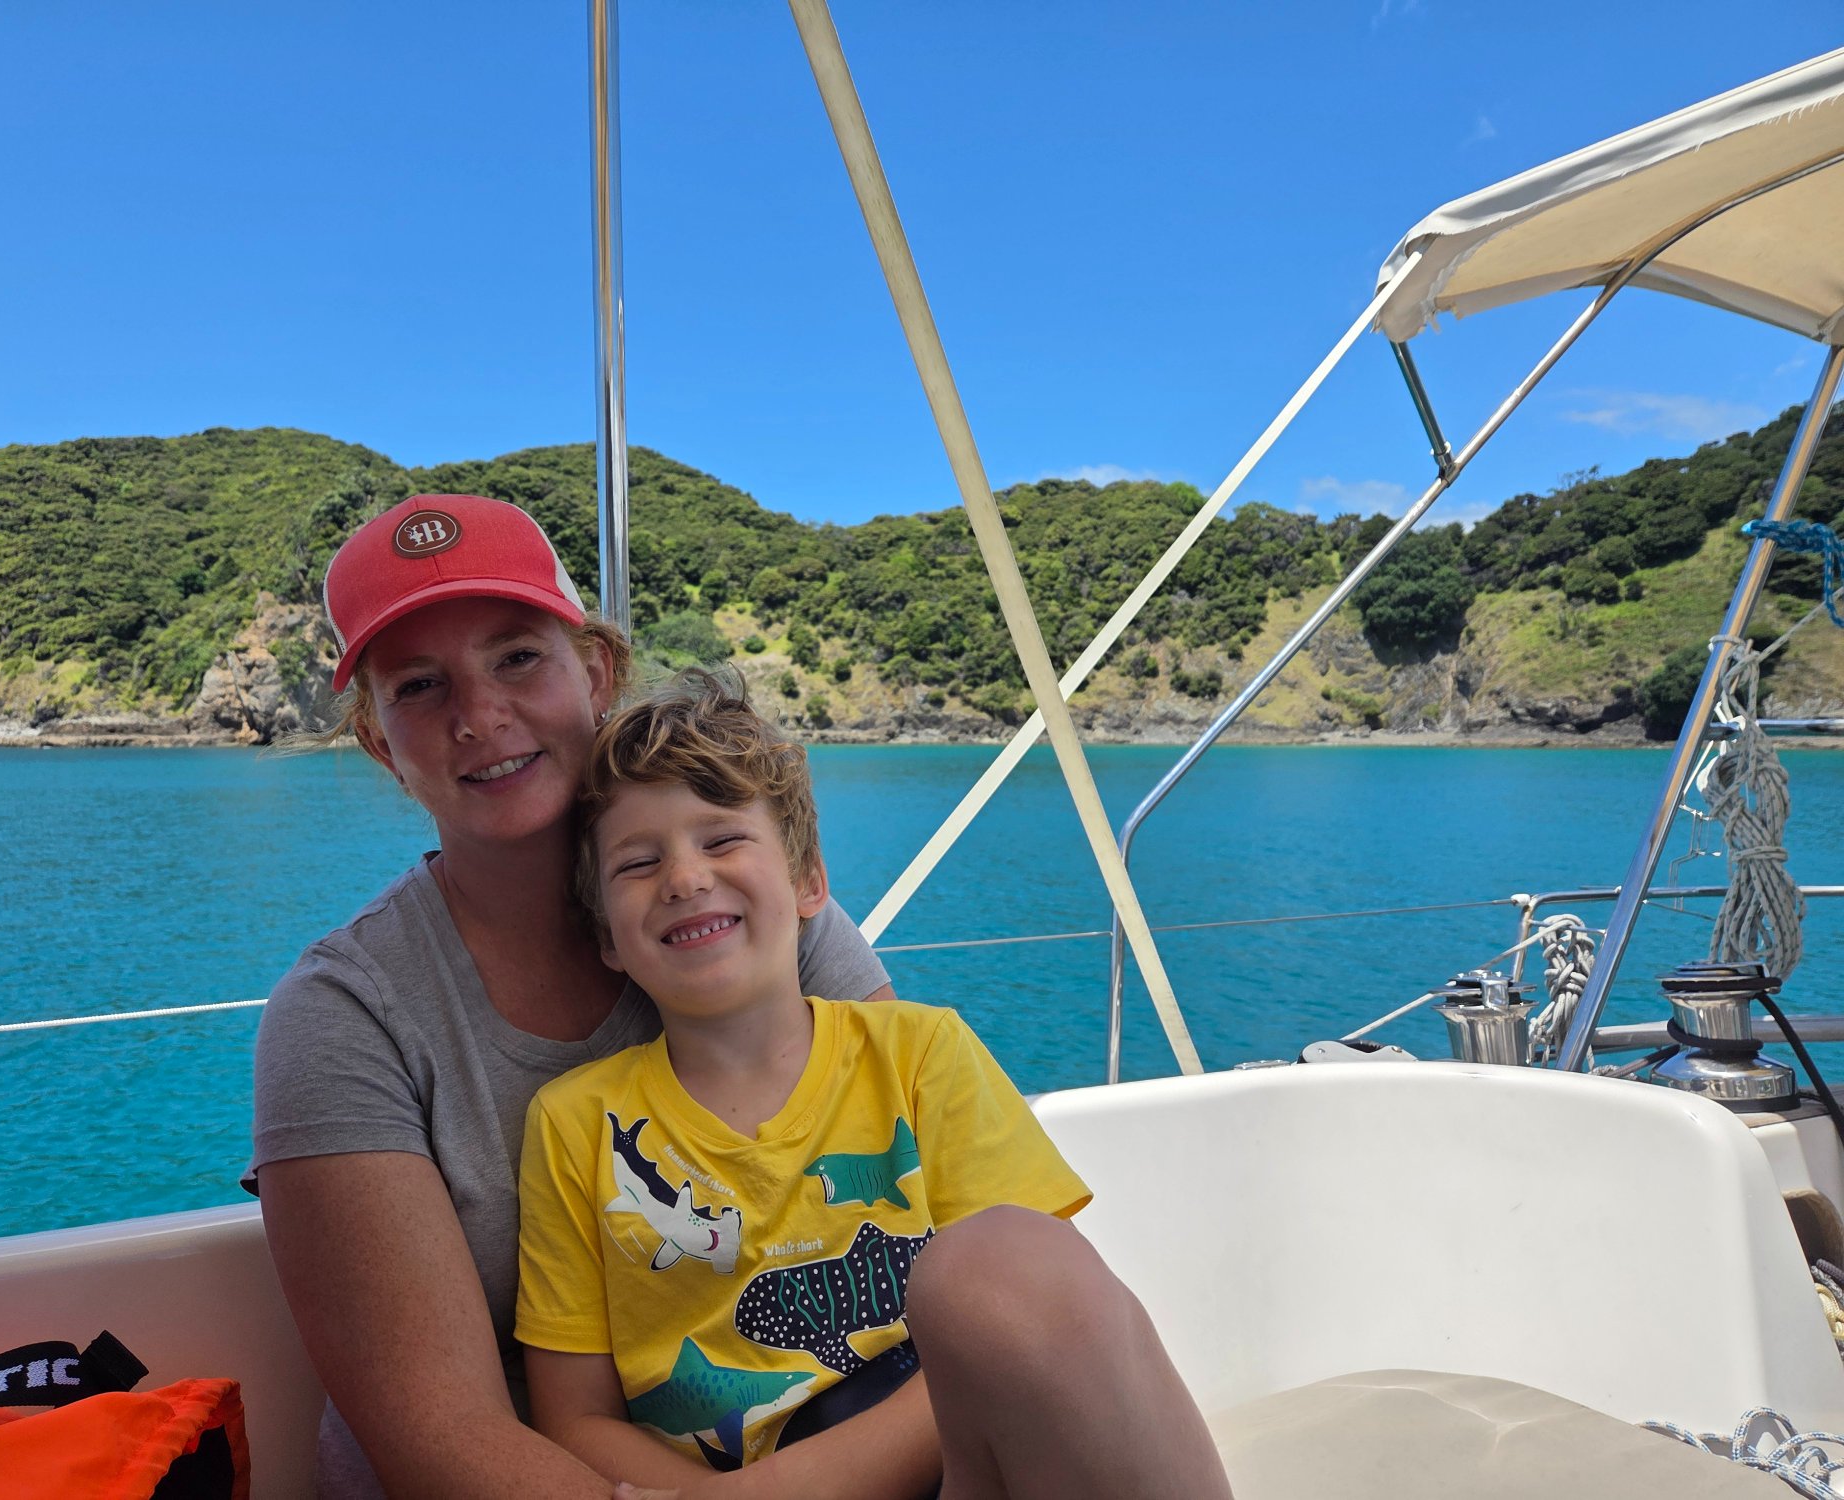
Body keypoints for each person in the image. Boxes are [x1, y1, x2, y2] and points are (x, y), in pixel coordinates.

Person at [247, 493, 895, 1500]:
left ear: (593, 673)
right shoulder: (344, 1018)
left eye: (517, 658)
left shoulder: (750, 918)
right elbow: (440, 1436)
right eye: (419, 687)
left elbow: (928, 1205)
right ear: (380, 743)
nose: (478, 717)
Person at [516, 669, 1233, 1500]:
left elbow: (1043, 1320)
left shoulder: (922, 1053)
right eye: (638, 862)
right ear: (604, 937)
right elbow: (574, 1420)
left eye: (720, 841)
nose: (683, 878)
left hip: (957, 1467)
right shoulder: (574, 1124)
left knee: (1012, 1257)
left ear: (809, 883)